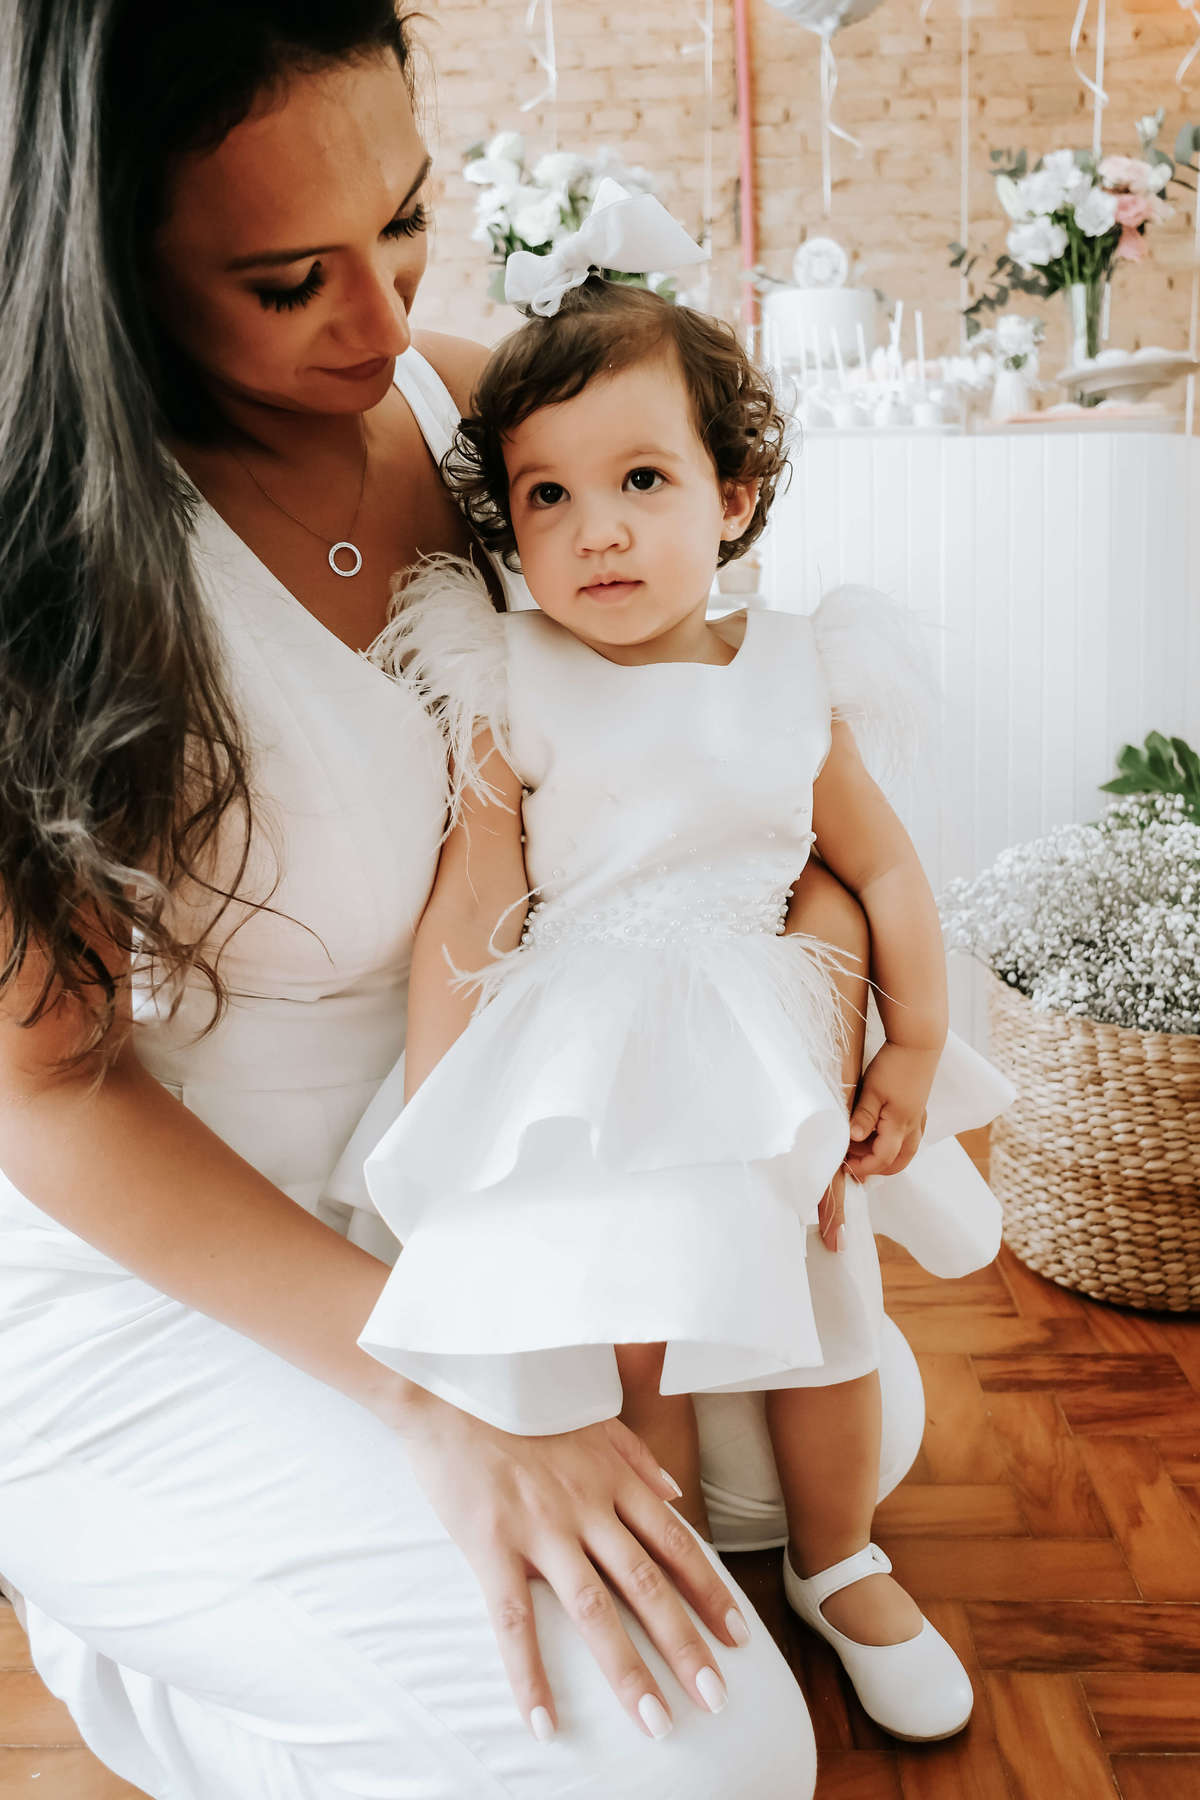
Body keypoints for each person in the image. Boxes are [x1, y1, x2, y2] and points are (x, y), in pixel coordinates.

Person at [0, 3, 931, 1794]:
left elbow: (724, 759)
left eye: (407, 220)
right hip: (177, 1257)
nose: (379, 321)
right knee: (712, 1760)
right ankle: (144, 1612)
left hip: (483, 1161)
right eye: (288, 282)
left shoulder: (477, 411)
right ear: (104, 270)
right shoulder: (49, 563)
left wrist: (827, 993)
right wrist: (435, 1402)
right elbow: (43, 1091)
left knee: (845, 1433)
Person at [337, 190, 1016, 1746]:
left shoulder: (794, 672)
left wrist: (910, 1049)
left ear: (736, 496)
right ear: (511, 529)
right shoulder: (513, 679)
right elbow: (476, 898)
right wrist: (438, 1112)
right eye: (550, 498)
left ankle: (842, 1559)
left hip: (769, 1037)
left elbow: (888, 868)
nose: (599, 530)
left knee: (831, 1302)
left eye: (642, 479)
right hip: (593, 1053)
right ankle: (688, 1561)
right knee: (629, 1322)